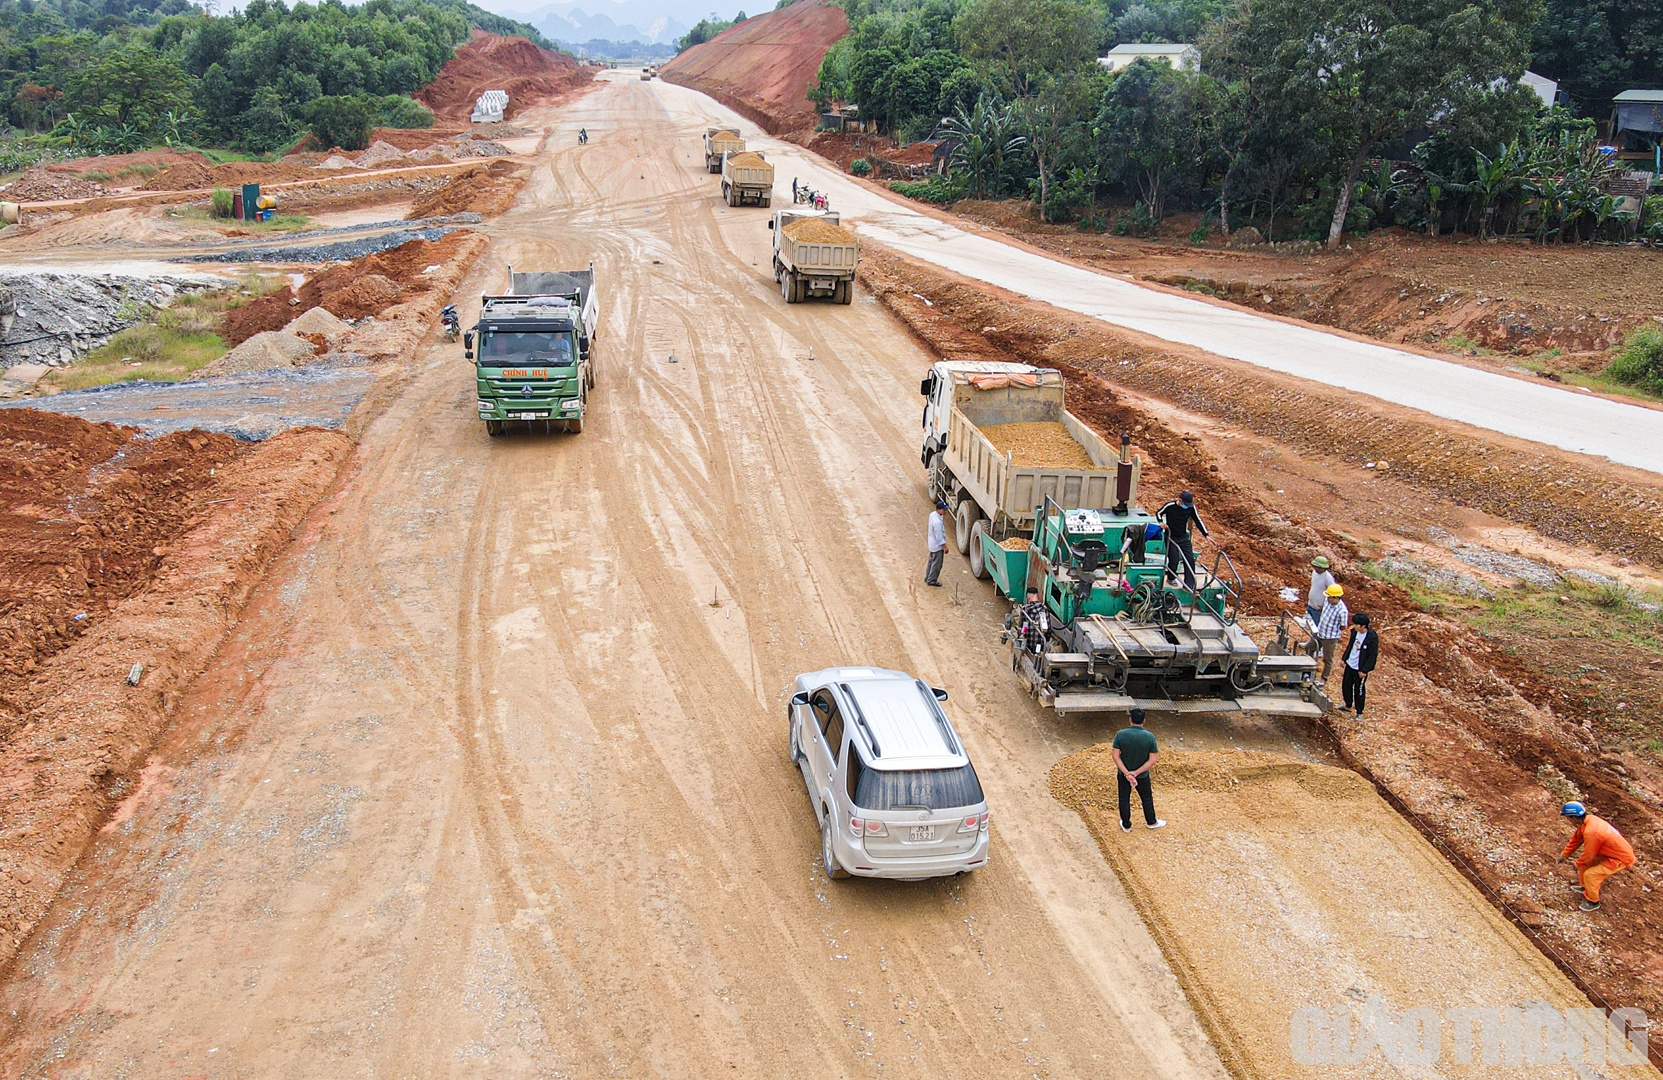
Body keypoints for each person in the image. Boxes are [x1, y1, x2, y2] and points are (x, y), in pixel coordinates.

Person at [1557, 802, 1636, 912]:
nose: (1567, 820)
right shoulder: (1588, 820)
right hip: (1609, 853)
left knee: (1590, 875)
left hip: (1619, 858)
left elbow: (1589, 855)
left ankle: (1593, 901)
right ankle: (1586, 887)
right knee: (1584, 865)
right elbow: (1576, 840)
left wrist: (1578, 863)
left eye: (1567, 817)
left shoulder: (1592, 832)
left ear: (1573, 817)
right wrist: (1564, 854)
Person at [1112, 708, 1165, 832]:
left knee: (1124, 798)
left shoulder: (1120, 734)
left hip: (1123, 774)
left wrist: (1127, 773)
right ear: (1144, 721)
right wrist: (1136, 773)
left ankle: (1126, 824)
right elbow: (1152, 760)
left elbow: (1116, 756)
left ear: (1130, 720)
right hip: (1142, 775)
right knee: (1146, 798)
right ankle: (1151, 822)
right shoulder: (1150, 737)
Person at [1157, 490, 1209, 590]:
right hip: (1171, 536)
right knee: (1174, 559)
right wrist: (1160, 522)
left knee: (1189, 559)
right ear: (1180, 500)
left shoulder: (1190, 508)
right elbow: (1159, 512)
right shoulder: (1170, 506)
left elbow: (1198, 520)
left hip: (1183, 536)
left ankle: (1189, 584)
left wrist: (1206, 534)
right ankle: (1171, 577)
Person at [1306, 584, 1349, 681]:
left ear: (1336, 598)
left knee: (1327, 659)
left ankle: (1324, 677)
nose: (1328, 598)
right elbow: (1323, 609)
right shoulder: (1327, 601)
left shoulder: (1342, 611)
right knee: (1309, 648)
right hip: (1320, 632)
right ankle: (1307, 667)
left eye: (1330, 597)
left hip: (1330, 638)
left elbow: (1343, 626)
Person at [1340, 612, 1377, 716]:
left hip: (1360, 668)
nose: (1354, 626)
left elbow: (1372, 656)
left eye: (1356, 624)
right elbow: (1350, 646)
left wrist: (1365, 670)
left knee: (1359, 690)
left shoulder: (1371, 637)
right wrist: (1344, 658)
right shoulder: (1354, 633)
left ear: (1363, 626)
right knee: (1346, 685)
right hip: (1350, 664)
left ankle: (1359, 712)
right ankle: (1348, 705)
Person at [924, 500, 948, 587]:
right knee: (937, 564)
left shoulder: (933, 515)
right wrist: (944, 546)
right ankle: (932, 580)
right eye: (944, 510)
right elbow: (939, 536)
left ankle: (927, 577)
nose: (945, 511)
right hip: (937, 546)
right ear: (939, 509)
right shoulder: (937, 522)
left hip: (932, 544)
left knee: (931, 562)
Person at [1308, 556, 1336, 624]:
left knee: (1316, 628)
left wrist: (1325, 605)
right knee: (1309, 626)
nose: (1317, 568)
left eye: (1319, 567)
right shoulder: (1314, 573)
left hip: (1318, 609)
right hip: (1311, 605)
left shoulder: (1328, 578)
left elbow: (1333, 593)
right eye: (1315, 566)